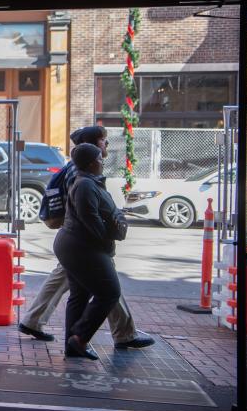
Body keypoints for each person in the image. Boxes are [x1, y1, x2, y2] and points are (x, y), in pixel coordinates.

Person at [18, 126, 154, 350]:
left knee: (73, 283)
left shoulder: (79, 170)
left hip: (75, 243)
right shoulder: (81, 177)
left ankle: (34, 321)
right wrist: (105, 240)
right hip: (84, 243)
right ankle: (121, 333)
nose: (106, 145)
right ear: (91, 147)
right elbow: (85, 214)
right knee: (108, 288)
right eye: (103, 141)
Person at [54, 143, 130, 359]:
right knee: (109, 292)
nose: (102, 161)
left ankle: (73, 346)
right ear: (89, 163)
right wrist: (112, 235)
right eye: (99, 158)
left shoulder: (88, 183)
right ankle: (79, 337)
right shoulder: (85, 185)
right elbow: (92, 222)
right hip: (83, 248)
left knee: (80, 294)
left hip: (76, 245)